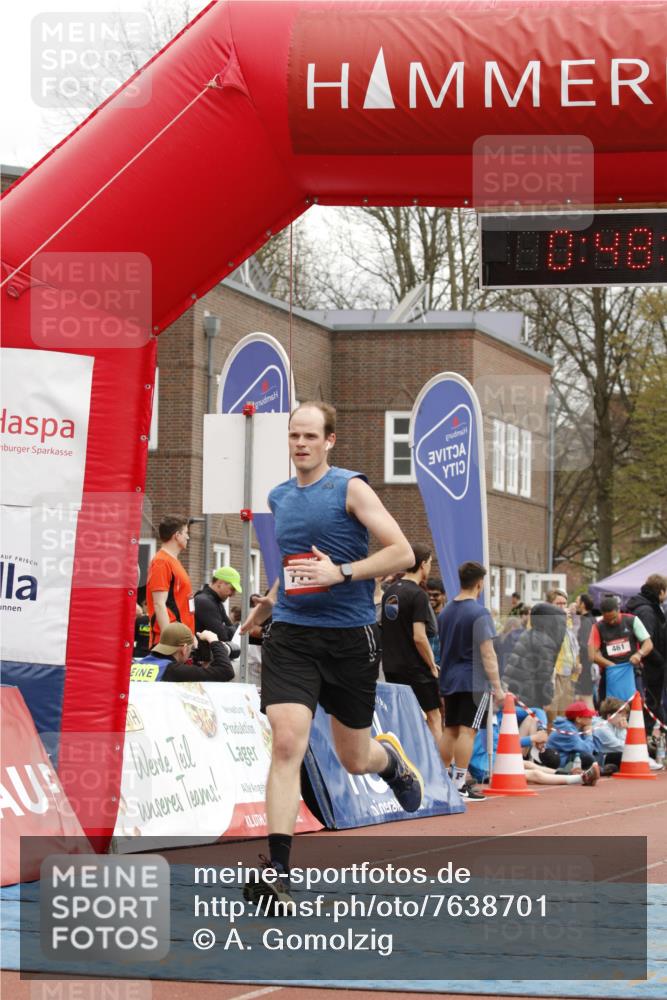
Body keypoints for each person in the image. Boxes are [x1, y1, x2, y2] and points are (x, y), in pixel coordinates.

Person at [239, 401, 416, 913]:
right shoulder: (278, 497)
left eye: (310, 436)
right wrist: (271, 601)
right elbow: (294, 566)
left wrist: (340, 572)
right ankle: (277, 873)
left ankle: (391, 762)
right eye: (294, 435)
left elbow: (401, 553)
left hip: (349, 637)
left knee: (353, 757)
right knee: (286, 744)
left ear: (330, 441)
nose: (301, 444)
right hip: (293, 635)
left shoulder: (350, 488)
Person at [438, 561, 504, 801]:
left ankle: (443, 779)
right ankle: (458, 785)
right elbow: (488, 653)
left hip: (449, 676)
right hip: (473, 679)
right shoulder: (479, 613)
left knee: (450, 729)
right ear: (480, 583)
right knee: (468, 730)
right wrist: (497, 687)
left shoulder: (445, 612)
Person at [381, 543, 441, 742]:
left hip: (392, 666)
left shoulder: (390, 591)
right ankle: (441, 769)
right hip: (415, 668)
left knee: (402, 720)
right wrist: (432, 665)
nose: (430, 568)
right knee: (434, 716)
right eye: (430, 563)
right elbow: (419, 636)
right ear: (423, 564)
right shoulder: (418, 595)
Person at [589, 595, 653, 703]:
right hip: (610, 673)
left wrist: (639, 654)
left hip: (632, 671)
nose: (611, 622)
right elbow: (592, 654)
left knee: (636, 706)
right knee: (608, 708)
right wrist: (611, 665)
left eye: (613, 618)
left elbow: (648, 643)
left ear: (619, 610)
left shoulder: (632, 620)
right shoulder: (597, 627)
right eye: (607, 619)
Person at [503, 602, 566, 710]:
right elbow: (544, 675)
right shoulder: (544, 641)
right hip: (527, 699)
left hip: (514, 694)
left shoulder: (531, 634)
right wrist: (547, 699)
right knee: (537, 723)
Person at [146, 514, 194, 647]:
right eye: (186, 533)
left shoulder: (172, 561)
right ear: (177, 535)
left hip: (181, 641)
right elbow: (159, 604)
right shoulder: (161, 562)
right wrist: (170, 641)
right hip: (170, 643)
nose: (187, 537)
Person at [625, 574, 667, 724]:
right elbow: (646, 640)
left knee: (651, 703)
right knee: (652, 703)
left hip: (647, 664)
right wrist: (660, 661)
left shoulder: (643, 606)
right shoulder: (647, 611)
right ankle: (651, 734)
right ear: (661, 591)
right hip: (649, 666)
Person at [134, 622, 234, 682]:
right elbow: (226, 671)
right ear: (184, 649)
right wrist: (214, 641)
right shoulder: (173, 670)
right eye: (190, 650)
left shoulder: (136, 665)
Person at [545, 589, 581, 724]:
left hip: (568, 671)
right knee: (552, 712)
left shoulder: (567, 620)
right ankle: (549, 739)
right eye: (558, 604)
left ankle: (561, 740)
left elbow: (573, 644)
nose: (562, 607)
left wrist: (577, 662)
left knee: (565, 712)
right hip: (554, 671)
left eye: (564, 604)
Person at [194, 566, 241, 641]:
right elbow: (222, 636)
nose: (233, 594)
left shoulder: (215, 601)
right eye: (232, 589)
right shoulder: (205, 602)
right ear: (220, 583)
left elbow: (230, 631)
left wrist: (231, 629)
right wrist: (237, 627)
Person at [546, 700, 597, 769]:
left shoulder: (576, 726)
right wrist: (588, 734)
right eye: (589, 716)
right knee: (586, 757)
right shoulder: (567, 729)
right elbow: (587, 750)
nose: (592, 718)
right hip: (558, 761)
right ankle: (599, 770)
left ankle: (598, 769)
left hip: (567, 755)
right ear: (578, 719)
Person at [574, 593, 596, 708]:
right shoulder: (592, 619)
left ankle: (591, 722)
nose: (575, 604)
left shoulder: (585, 621)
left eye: (577, 602)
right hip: (589, 664)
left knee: (586, 697)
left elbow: (584, 644)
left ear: (583, 604)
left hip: (585, 665)